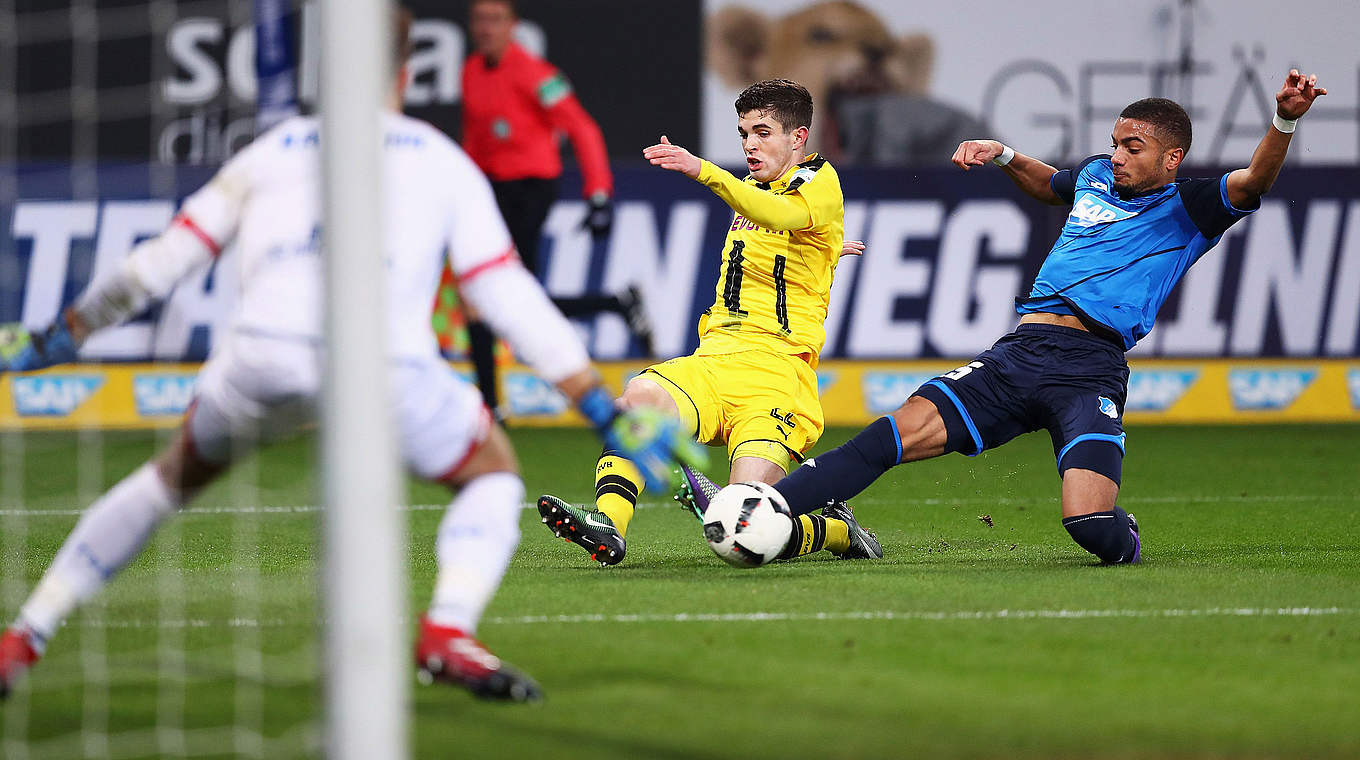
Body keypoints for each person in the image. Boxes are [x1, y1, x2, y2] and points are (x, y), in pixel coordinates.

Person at [0, 7, 693, 704]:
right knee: (492, 474)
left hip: (259, 360)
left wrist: (59, 340)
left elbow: (156, 266)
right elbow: (507, 297)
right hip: (383, 368)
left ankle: (27, 633)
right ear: (411, 70)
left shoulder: (271, 152)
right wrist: (600, 406)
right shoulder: (440, 160)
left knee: (166, 482)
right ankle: (448, 629)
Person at [762, 70, 1327, 565]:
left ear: (1170, 158)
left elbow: (1254, 181)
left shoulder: (1191, 207)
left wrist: (1283, 120)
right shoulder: (1095, 177)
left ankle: (1122, 535)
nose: (1119, 157)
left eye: (1133, 148)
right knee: (890, 435)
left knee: (1090, 526)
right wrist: (1003, 155)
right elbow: (1048, 184)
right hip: (1019, 354)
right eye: (1115, 145)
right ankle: (765, 507)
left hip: (1089, 370)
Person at [536, 78, 881, 566]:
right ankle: (608, 525)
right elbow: (777, 229)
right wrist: (826, 250)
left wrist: (703, 171)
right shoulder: (758, 192)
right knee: (636, 402)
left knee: (744, 528)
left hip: (776, 378)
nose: (750, 144)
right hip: (714, 362)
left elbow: (778, 214)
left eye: (763, 132)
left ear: (798, 138)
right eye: (743, 133)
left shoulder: (817, 179)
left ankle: (834, 530)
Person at [461, 0, 652, 417]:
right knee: (494, 293)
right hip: (492, 191)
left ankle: (490, 407)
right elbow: (476, 140)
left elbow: (582, 129)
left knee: (500, 293)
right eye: (480, 19)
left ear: (512, 25)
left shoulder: (538, 75)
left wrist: (598, 192)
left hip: (531, 189)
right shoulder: (471, 70)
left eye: (495, 19)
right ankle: (615, 305)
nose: (486, 28)